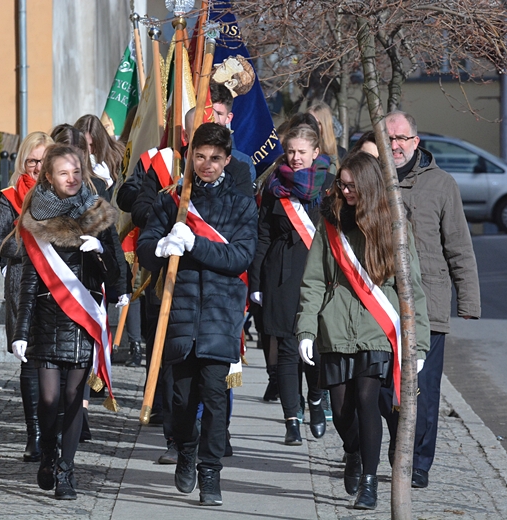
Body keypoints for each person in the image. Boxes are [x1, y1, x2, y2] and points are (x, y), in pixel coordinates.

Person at [295, 152, 430, 510]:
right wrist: (306, 330)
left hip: (376, 328)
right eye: (342, 183)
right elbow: (312, 282)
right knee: (340, 411)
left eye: (352, 185)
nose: (345, 190)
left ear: (369, 185)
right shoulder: (330, 223)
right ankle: (352, 451)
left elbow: (412, 287)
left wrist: (420, 345)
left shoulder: (394, 224)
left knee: (368, 401)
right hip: (335, 327)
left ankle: (369, 482)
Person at [136, 123, 258, 506]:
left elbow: (240, 256)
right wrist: (159, 247)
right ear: (190, 157)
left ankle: (210, 471)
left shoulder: (241, 204)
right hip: (181, 310)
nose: (207, 164)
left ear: (226, 161)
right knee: (182, 399)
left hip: (222, 314)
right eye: (200, 157)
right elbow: (144, 245)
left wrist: (196, 244)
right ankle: (185, 450)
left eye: (215, 158)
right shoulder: (173, 201)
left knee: (215, 398)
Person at [12, 143, 127, 500]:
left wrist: (102, 252)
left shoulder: (97, 213)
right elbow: (30, 279)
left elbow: (118, 272)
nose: (72, 178)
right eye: (64, 173)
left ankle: (66, 471)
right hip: (47, 319)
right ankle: (48, 451)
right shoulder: (36, 217)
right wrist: (20, 331)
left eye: (77, 172)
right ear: (49, 176)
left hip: (83, 317)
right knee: (48, 399)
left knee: (75, 397)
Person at [382, 111, 481, 489]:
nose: (395, 145)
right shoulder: (373, 180)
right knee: (382, 389)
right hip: (381, 303)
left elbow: (458, 245)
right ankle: (392, 450)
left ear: (415, 141)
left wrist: (468, 301)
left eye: (402, 138)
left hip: (430, 307)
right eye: (389, 138)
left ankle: (418, 462)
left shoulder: (442, 185)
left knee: (423, 391)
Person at [249, 124, 333, 445]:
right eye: (291, 151)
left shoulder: (330, 186)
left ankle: (314, 399)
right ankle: (291, 420)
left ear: (315, 152)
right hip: (281, 274)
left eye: (302, 152)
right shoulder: (274, 187)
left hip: (319, 275)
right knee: (286, 349)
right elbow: (264, 235)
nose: (295, 158)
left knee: (315, 350)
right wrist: (257, 279)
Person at [0, 131, 54, 463]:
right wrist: (30, 245)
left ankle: (55, 429)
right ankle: (35, 436)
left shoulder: (62, 193)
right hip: (21, 281)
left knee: (53, 359)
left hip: (57, 284)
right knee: (29, 360)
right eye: (32, 160)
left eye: (44, 161)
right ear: (23, 162)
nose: (38, 167)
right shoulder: (10, 195)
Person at [209, 81, 257, 181]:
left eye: (218, 113)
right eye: (208, 112)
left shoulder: (242, 162)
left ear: (228, 118)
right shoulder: (181, 155)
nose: (212, 118)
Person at [74, 114, 125, 200]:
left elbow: (124, 196)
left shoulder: (118, 156)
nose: (89, 150)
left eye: (92, 145)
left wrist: (110, 183)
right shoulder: (72, 158)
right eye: (84, 145)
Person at [308, 100, 347, 170]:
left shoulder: (341, 154)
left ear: (325, 126)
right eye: (309, 121)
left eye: (318, 123)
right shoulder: (299, 152)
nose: (312, 126)